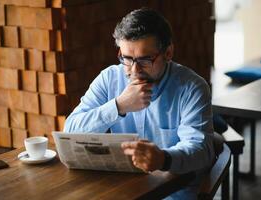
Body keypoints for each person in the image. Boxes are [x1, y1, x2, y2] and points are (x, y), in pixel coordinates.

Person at [64, 8, 215, 200]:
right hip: (123, 191)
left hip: (174, 194)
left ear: (168, 52)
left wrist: (163, 158)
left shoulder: (192, 87)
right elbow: (70, 130)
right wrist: (118, 106)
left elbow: (201, 150)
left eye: (145, 59)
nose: (134, 70)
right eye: (127, 58)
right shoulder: (108, 78)